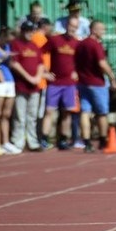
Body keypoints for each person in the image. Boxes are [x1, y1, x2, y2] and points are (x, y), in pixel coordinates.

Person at [75, 20, 116, 153]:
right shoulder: (95, 45)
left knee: (85, 112)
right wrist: (112, 77)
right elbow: (102, 63)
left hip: (83, 82)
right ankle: (103, 139)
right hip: (96, 82)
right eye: (102, 29)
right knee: (102, 113)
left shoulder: (80, 44)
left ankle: (87, 141)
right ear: (94, 30)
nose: (103, 32)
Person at [41, 16, 81, 150]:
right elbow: (39, 53)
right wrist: (45, 71)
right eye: (71, 26)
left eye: (75, 27)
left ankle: (63, 139)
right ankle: (44, 139)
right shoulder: (55, 40)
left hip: (69, 84)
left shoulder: (77, 43)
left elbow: (82, 61)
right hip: (54, 83)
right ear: (66, 25)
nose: (72, 29)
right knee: (49, 111)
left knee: (67, 112)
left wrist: (77, 71)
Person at [8, 20, 45, 152]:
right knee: (19, 115)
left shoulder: (35, 46)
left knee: (32, 116)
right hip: (21, 85)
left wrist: (37, 77)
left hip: (34, 87)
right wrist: (28, 77)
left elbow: (41, 63)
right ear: (23, 31)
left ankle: (32, 142)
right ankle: (18, 141)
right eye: (28, 31)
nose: (30, 33)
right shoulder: (16, 44)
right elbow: (14, 63)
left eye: (32, 31)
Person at [0, 27, 20, 155]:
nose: (9, 42)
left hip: (9, 80)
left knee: (6, 114)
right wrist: (5, 54)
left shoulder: (7, 46)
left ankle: (6, 142)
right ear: (3, 35)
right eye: (7, 39)